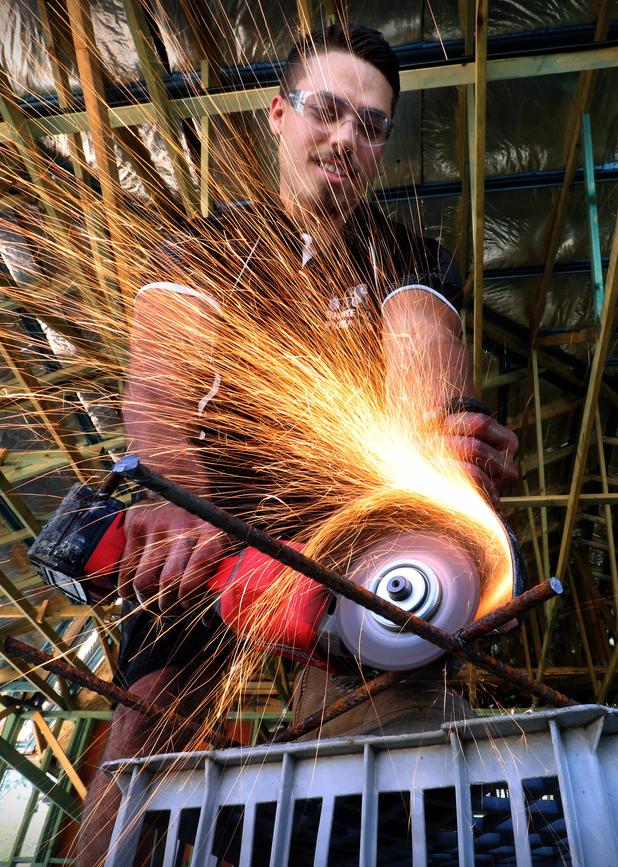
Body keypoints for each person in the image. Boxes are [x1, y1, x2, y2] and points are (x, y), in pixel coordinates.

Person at [76, 24, 518, 865]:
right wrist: (172, 496)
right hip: (211, 509)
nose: (348, 138)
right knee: (151, 715)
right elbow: (162, 391)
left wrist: (440, 454)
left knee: (391, 701)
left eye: (373, 125)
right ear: (280, 115)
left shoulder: (410, 255)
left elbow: (423, 355)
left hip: (348, 519)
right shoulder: (207, 245)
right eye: (329, 111)